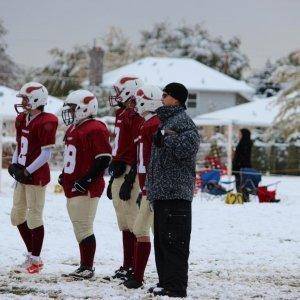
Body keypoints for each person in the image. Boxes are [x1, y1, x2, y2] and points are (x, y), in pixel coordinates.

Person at [146, 82, 200, 297]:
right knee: (161, 242)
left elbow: (187, 149)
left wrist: (167, 138)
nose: (162, 98)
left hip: (176, 194)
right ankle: (165, 282)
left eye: (166, 95)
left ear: (176, 99)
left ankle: (176, 287)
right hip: (162, 193)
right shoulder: (166, 122)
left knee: (175, 242)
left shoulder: (184, 123)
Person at [59, 90, 111, 279]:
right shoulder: (74, 128)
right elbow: (71, 156)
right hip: (73, 184)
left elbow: (104, 158)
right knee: (78, 227)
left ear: (85, 107)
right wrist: (65, 175)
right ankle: (84, 265)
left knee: (84, 227)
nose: (70, 112)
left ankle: (87, 267)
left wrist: (86, 179)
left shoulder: (95, 127)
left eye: (73, 108)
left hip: (87, 187)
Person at [8, 82, 58, 274]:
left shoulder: (47, 121)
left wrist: (27, 171)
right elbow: (19, 146)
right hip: (22, 174)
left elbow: (46, 155)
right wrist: (14, 164)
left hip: (36, 176)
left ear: (37, 99)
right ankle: (31, 254)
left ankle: (35, 260)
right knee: (17, 216)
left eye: (26, 99)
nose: (22, 102)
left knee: (34, 217)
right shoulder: (22, 118)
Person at [123, 85, 162, 289]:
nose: (134, 104)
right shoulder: (147, 123)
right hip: (148, 185)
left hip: (153, 186)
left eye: (138, 100)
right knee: (151, 231)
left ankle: (138, 277)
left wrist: (147, 187)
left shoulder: (152, 124)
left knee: (141, 229)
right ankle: (141, 276)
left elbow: (151, 160)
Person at [104, 76, 144, 281]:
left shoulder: (137, 116)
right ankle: (127, 264)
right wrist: (113, 177)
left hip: (132, 171)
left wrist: (130, 178)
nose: (116, 95)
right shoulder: (122, 112)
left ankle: (135, 267)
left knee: (134, 221)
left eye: (120, 91)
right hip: (120, 169)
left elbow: (141, 149)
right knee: (124, 222)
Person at [232, 128, 253, 200]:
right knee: (240, 182)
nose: (239, 135)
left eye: (240, 134)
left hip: (241, 167)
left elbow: (242, 156)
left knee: (241, 182)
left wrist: (237, 163)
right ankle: (241, 196)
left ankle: (242, 197)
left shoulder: (245, 143)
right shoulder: (242, 142)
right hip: (239, 167)